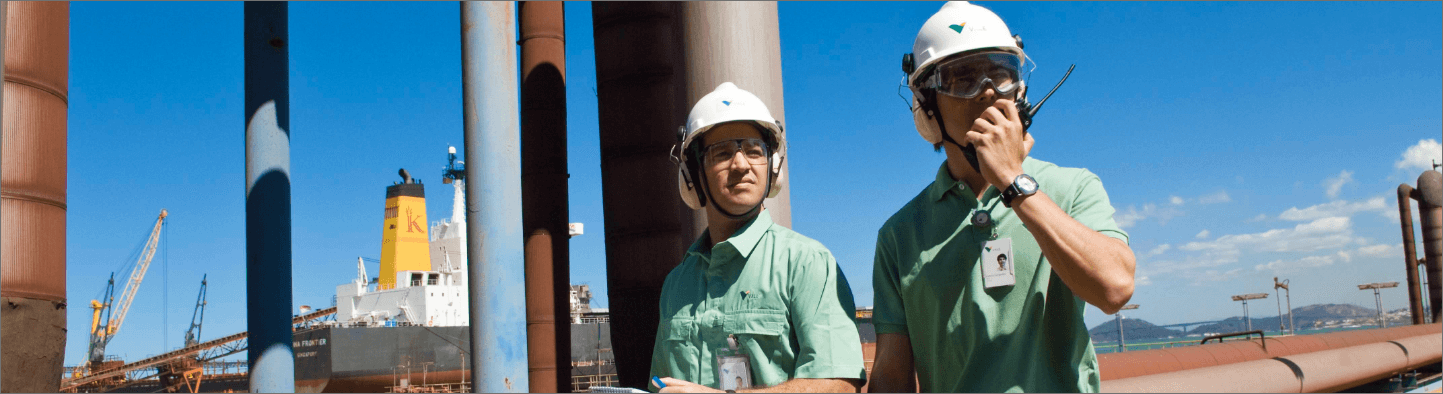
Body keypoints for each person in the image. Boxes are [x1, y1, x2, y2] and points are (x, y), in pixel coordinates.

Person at [868, 2, 1137, 393]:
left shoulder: (1073, 187)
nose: (989, 91)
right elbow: (892, 377)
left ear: (1021, 91)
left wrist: (1014, 181)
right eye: (962, 78)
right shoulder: (898, 236)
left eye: (1001, 73)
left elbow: (1114, 287)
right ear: (927, 107)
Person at [650, 82, 867, 393]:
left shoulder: (807, 264)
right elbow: (660, 385)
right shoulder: (676, 284)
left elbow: (839, 386)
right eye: (721, 153)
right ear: (692, 174)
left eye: (754, 150)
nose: (741, 165)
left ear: (773, 166)